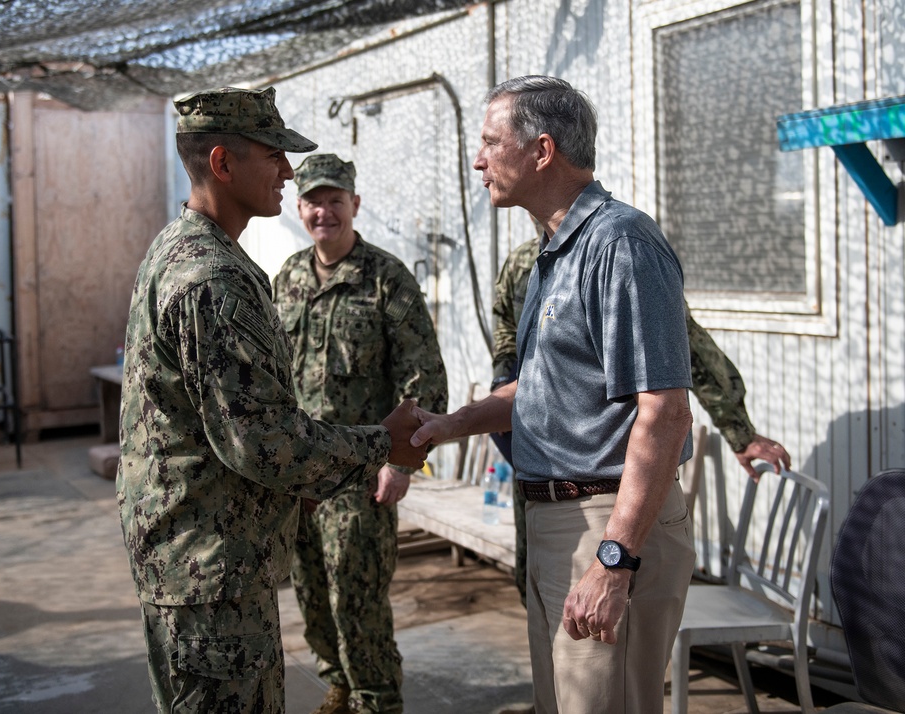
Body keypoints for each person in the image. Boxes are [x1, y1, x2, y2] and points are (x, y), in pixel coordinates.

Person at [116, 87, 428, 714]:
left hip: (222, 551)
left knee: (359, 609)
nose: (288, 172)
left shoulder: (191, 252)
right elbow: (258, 441)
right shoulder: (213, 277)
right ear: (224, 164)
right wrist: (381, 444)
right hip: (212, 569)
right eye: (274, 155)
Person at [411, 75, 694, 713]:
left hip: (605, 519)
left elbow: (665, 411)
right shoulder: (556, 250)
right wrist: (448, 424)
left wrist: (615, 559)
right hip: (555, 519)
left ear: (541, 151)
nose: (478, 160)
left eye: (489, 142)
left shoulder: (619, 244)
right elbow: (539, 388)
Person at [491, 236, 792, 608]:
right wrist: (502, 388)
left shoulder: (616, 251)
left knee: (610, 617)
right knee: (539, 591)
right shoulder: (525, 264)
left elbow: (683, 347)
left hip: (604, 481)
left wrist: (739, 432)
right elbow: (506, 332)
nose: (483, 173)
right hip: (538, 469)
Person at [271, 153, 448, 714]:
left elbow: (423, 379)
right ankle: (338, 682)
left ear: (355, 205)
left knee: (358, 596)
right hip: (302, 475)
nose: (325, 212)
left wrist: (402, 465)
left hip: (361, 477)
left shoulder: (385, 278)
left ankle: (376, 698)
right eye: (314, 201)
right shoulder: (288, 278)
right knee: (310, 590)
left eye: (335, 200)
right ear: (300, 208)